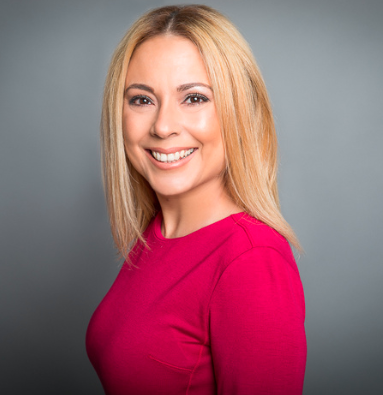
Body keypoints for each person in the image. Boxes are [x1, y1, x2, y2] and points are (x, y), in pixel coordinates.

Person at [86, 4, 307, 395]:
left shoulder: (251, 260)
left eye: (194, 98)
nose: (164, 126)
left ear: (240, 111)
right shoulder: (154, 235)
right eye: (141, 99)